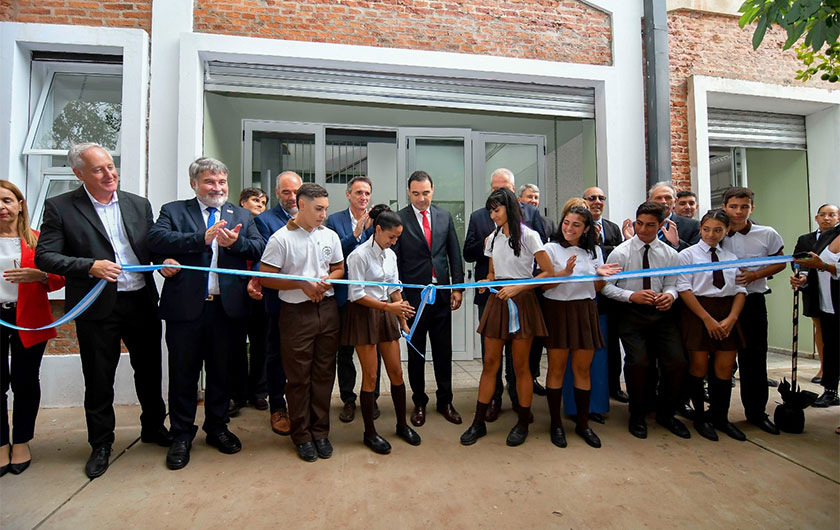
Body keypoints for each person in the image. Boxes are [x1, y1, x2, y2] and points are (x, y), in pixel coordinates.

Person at [35, 143, 170, 479]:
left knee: (150, 371)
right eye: (99, 169)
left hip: (140, 301)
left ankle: (153, 427)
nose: (110, 174)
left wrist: (164, 261)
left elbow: (151, 246)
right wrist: (89, 266)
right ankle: (101, 444)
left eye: (111, 166)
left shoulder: (138, 204)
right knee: (98, 378)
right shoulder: (61, 208)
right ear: (79, 173)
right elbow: (45, 256)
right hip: (96, 307)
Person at [148, 157, 265, 470]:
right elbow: (156, 240)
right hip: (186, 310)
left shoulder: (241, 214)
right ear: (194, 184)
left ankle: (217, 427)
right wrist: (202, 238)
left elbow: (259, 248)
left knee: (221, 373)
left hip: (227, 310)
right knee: (183, 375)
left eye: (222, 182)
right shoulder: (173, 211)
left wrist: (236, 242)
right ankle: (182, 434)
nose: (217, 188)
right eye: (210, 182)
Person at [460, 188, 554, 447]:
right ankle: (478, 422)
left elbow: (548, 272)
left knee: (520, 366)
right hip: (497, 301)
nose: (492, 215)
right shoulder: (491, 238)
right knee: (490, 363)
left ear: (510, 208)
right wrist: (485, 282)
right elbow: (492, 273)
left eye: (496, 209)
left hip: (522, 302)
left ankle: (522, 422)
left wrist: (520, 287)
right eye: (490, 210)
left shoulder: (530, 236)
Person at [258, 183, 344, 462]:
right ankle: (302, 435)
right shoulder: (281, 238)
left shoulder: (329, 235)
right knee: (298, 378)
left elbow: (339, 267)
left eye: (326, 209)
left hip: (327, 309)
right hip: (296, 313)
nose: (323, 215)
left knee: (323, 374)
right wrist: (300, 283)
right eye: (318, 209)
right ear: (301, 204)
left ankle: (321, 432)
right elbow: (266, 276)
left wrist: (329, 280)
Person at [601, 202, 691, 441]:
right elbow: (606, 288)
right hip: (631, 313)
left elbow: (673, 283)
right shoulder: (621, 252)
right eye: (639, 223)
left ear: (661, 225)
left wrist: (670, 296)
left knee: (677, 362)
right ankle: (637, 414)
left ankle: (666, 413)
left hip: (662, 315)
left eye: (650, 225)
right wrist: (632, 296)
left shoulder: (670, 254)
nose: (643, 229)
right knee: (638, 363)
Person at [342, 204, 422, 453]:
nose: (394, 242)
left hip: (388, 312)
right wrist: (390, 309)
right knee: (371, 375)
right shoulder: (358, 255)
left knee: (396, 372)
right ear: (378, 230)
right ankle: (370, 432)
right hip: (364, 313)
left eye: (398, 237)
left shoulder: (391, 255)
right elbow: (356, 295)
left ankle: (401, 424)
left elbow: (394, 288)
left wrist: (403, 320)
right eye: (391, 236)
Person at [541, 205, 620, 448]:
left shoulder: (594, 250)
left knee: (582, 370)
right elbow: (543, 286)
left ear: (586, 228)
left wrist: (600, 276)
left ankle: (583, 424)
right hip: (558, 311)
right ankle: (556, 425)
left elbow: (595, 289)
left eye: (576, 224)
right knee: (556, 369)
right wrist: (564, 272)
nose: (569, 228)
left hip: (585, 311)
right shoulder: (550, 248)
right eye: (566, 222)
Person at [0, 180, 64, 476]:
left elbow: (60, 278)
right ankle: (1, 444)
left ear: (20, 204)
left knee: (25, 381)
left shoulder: (38, 240)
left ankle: (21, 441)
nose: (2, 207)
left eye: (7, 200)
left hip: (29, 318)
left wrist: (38, 276)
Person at [394, 171, 464, 427]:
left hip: (441, 295)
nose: (421, 198)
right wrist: (398, 297)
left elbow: (453, 253)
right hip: (413, 299)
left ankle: (445, 400)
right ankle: (419, 402)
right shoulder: (400, 218)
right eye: (415, 194)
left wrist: (456, 288)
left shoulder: (444, 216)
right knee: (416, 353)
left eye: (425, 193)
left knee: (444, 351)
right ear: (409, 193)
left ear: (432, 191)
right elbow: (396, 262)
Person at [677, 209, 748, 441]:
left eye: (718, 230)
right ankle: (700, 417)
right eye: (706, 229)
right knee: (698, 367)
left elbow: (740, 289)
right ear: (700, 229)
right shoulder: (687, 255)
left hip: (727, 312)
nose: (711, 234)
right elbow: (684, 288)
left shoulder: (731, 258)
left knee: (725, 368)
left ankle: (720, 416)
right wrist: (706, 319)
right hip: (698, 313)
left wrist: (731, 319)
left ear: (726, 231)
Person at [721, 186, 785, 435]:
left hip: (753, 302)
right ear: (725, 206)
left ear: (752, 208)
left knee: (755, 359)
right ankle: (718, 415)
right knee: (722, 360)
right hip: (722, 303)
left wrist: (757, 274)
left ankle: (757, 413)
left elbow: (780, 260)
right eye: (734, 206)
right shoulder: (717, 232)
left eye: (744, 207)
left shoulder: (766, 234)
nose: (738, 212)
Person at [326, 176, 381, 423]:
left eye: (367, 193)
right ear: (348, 194)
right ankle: (348, 400)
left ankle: (373, 398)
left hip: (370, 297)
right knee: (345, 352)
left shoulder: (376, 221)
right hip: (343, 298)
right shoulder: (335, 220)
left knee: (373, 349)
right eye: (358, 192)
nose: (363, 198)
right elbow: (332, 255)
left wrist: (369, 228)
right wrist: (355, 233)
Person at [251, 171, 302, 437]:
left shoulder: (312, 218)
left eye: (296, 191)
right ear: (277, 193)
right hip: (277, 302)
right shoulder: (265, 221)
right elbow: (263, 261)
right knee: (276, 356)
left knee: (301, 358)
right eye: (286, 192)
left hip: (306, 303)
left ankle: (299, 406)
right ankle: (278, 407)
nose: (292, 197)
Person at [583, 186, 629, 404]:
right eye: (592, 198)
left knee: (610, 346)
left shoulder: (612, 228)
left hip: (608, 298)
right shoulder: (578, 226)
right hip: (583, 297)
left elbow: (616, 260)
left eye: (601, 198)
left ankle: (613, 387)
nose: (597, 202)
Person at [228, 187, 270, 416]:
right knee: (236, 345)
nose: (259, 205)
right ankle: (238, 394)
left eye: (263, 202)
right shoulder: (231, 223)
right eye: (255, 200)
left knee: (261, 343)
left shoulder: (265, 227)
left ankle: (259, 392)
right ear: (242, 202)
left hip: (260, 291)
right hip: (234, 291)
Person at [792, 223, 839, 407]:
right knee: (831, 349)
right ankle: (830, 391)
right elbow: (813, 265)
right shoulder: (830, 234)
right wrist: (803, 278)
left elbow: (823, 265)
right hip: (827, 303)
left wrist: (824, 266)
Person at [624, 182, 699, 251]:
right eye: (658, 198)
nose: (663, 201)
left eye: (668, 198)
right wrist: (630, 241)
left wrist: (677, 244)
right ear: (650, 201)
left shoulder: (692, 226)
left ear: (675, 201)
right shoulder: (636, 226)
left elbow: (696, 256)